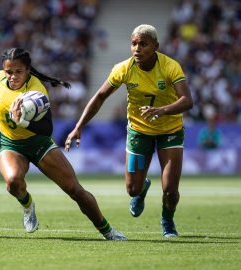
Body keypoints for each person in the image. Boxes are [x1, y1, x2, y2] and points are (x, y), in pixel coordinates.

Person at [0, 47, 126, 240]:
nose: (12, 76)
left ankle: (107, 231)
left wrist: (23, 121)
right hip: (10, 143)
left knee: (75, 190)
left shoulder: (37, 92)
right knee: (13, 182)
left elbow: (47, 129)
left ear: (28, 70)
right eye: (8, 72)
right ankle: (27, 205)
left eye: (18, 71)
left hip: (39, 143)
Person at [65, 24, 193, 237]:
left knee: (170, 189)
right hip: (139, 132)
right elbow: (99, 97)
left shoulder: (171, 67)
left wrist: (161, 111)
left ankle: (167, 221)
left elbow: (187, 101)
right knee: (132, 189)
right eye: (134, 43)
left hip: (169, 130)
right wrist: (78, 127)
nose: (137, 48)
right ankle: (142, 189)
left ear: (156, 46)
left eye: (143, 44)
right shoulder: (123, 68)